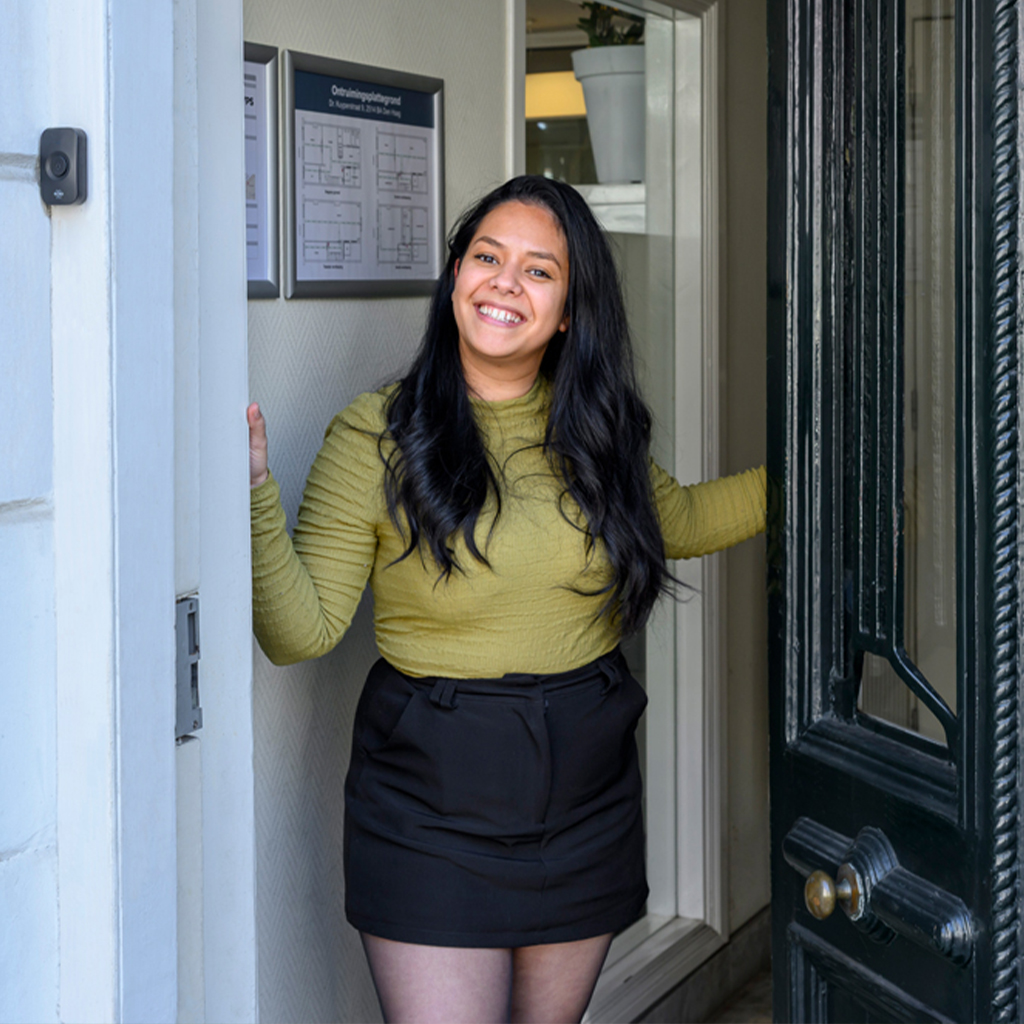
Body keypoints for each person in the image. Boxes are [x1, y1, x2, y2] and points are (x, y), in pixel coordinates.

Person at [248, 175, 766, 1024]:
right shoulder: (375, 434)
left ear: (568, 312)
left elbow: (683, 520)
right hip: (429, 797)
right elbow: (300, 634)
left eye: (539, 270)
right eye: (487, 257)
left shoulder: (597, 429)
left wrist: (818, 475)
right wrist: (254, 494)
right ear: (456, 275)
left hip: (587, 786)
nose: (505, 283)